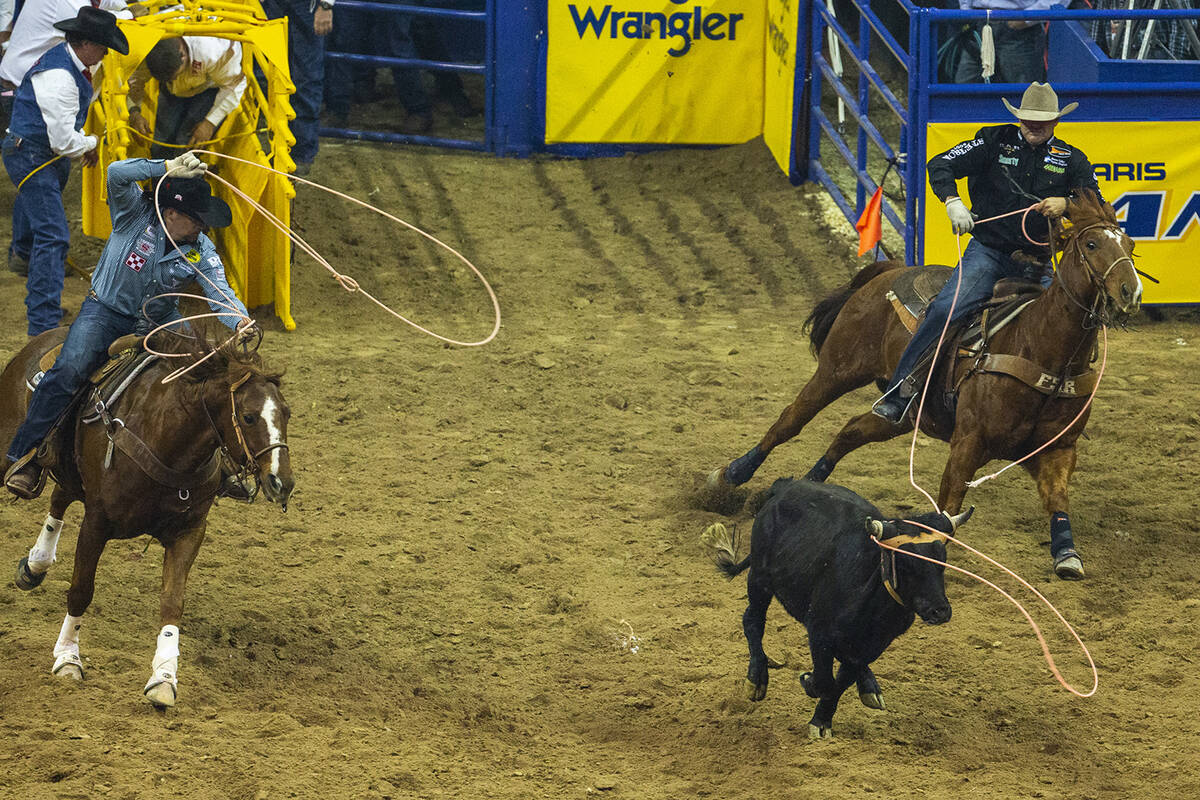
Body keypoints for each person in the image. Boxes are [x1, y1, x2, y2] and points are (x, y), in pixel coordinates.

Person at [4, 151, 254, 499]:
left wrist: (239, 319)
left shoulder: (201, 250)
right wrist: (165, 168)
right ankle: (25, 456)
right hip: (105, 312)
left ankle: (220, 467)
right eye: (196, 219)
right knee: (69, 369)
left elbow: (219, 292)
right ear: (171, 213)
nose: (202, 227)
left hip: (160, 320)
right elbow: (117, 172)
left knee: (208, 369)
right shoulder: (133, 214)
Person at [872, 82, 1102, 424]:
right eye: (1028, 119)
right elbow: (941, 165)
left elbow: (1097, 206)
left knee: (1069, 325)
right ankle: (901, 390)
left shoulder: (1072, 160)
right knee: (946, 311)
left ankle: (1056, 410)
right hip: (989, 253)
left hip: (1038, 260)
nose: (1033, 125)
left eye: (1041, 120)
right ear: (1019, 118)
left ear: (1055, 122)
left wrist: (1067, 203)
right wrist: (953, 202)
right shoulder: (993, 141)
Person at [2, 6, 127, 332]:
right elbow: (62, 142)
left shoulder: (69, 63)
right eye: (102, 46)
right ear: (85, 43)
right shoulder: (59, 78)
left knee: (42, 218)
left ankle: (24, 256)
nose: (104, 53)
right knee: (54, 234)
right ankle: (42, 322)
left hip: (36, 153)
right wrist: (90, 143)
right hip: (34, 155)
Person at [127, 35, 248, 158]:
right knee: (161, 142)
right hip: (171, 89)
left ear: (183, 55)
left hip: (208, 88)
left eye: (175, 75)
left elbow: (234, 85)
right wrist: (134, 112)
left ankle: (182, 174)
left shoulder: (216, 52)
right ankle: (161, 173)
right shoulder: (148, 46)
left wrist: (210, 123)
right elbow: (135, 79)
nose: (175, 79)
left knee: (187, 145)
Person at [260, 0, 332, 175]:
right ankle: (278, 147)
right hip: (274, 5)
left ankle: (300, 151)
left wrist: (326, 5)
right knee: (268, 72)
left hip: (305, 5)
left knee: (305, 78)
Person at [0, 0, 131, 88]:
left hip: (31, 78)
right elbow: (91, 22)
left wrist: (123, 7)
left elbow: (105, 3)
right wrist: (129, 13)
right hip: (19, 84)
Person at [953, 0, 1065, 83]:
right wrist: (966, 10)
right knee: (964, 86)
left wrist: (1027, 18)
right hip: (978, 21)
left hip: (1019, 26)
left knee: (1023, 95)